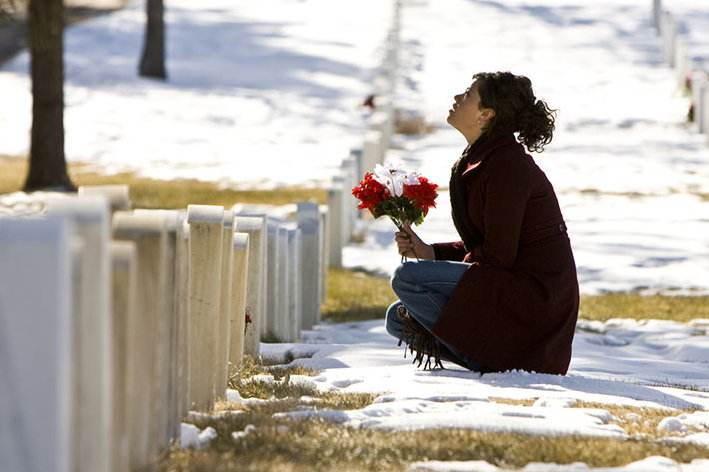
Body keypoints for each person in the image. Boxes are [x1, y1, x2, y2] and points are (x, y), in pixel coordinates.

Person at [385, 71, 579, 375]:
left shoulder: (507, 166)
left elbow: (499, 255)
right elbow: (489, 245)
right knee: (398, 318)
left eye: (468, 94)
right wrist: (430, 252)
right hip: (509, 287)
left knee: (407, 278)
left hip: (533, 302)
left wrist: (435, 270)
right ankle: (489, 355)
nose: (457, 99)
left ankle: (496, 359)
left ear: (486, 115)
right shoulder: (484, 159)